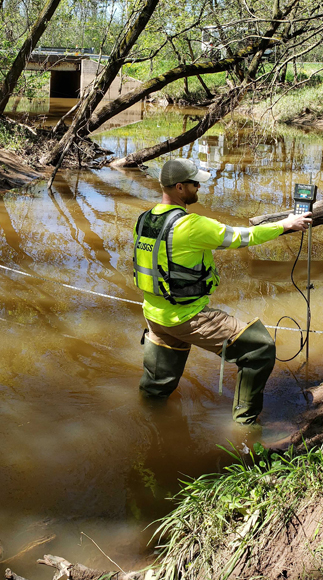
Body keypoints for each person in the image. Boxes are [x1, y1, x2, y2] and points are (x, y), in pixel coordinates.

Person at [133, 157, 312, 425]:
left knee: (156, 388)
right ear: (180, 188)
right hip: (187, 316)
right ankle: (245, 429)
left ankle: (146, 422)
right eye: (195, 184)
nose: (199, 188)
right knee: (259, 349)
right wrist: (285, 225)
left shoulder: (144, 219)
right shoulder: (192, 225)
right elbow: (242, 236)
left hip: (154, 315)